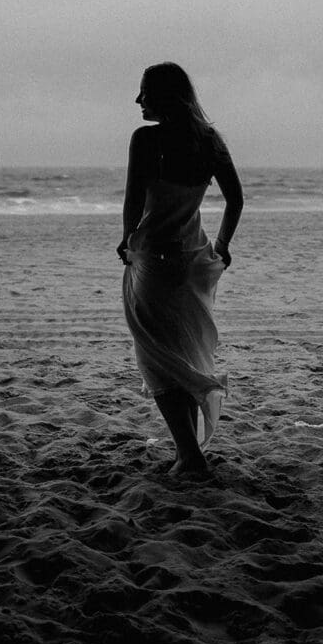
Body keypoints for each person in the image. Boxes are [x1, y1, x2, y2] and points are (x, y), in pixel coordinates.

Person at [117, 61, 243, 476]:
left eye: (144, 92)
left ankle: (189, 455)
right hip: (193, 260)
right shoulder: (209, 141)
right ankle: (187, 451)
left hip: (155, 259)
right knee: (183, 351)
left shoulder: (146, 139)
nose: (138, 100)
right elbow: (235, 200)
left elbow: (134, 199)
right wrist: (222, 246)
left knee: (157, 356)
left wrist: (125, 237)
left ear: (165, 95)